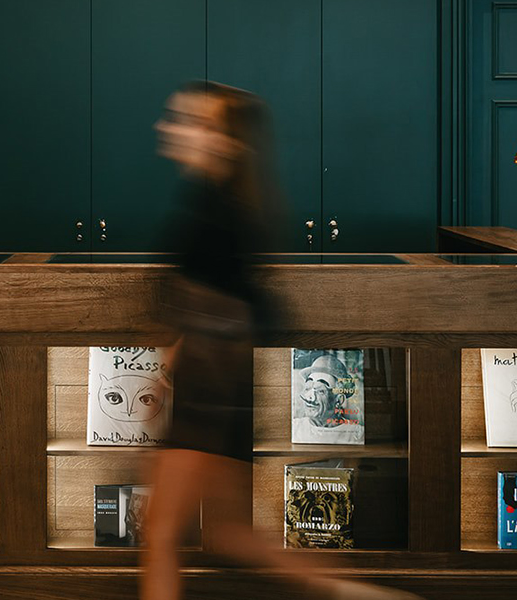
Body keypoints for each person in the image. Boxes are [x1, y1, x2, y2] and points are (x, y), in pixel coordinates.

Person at [142, 80, 419, 600]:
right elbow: (226, 302)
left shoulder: (212, 211)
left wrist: (168, 372)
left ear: (225, 140)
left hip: (206, 395)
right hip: (222, 391)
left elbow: (208, 307)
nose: (169, 127)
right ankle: (346, 592)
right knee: (227, 534)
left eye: (188, 121)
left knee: (160, 535)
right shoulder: (225, 203)